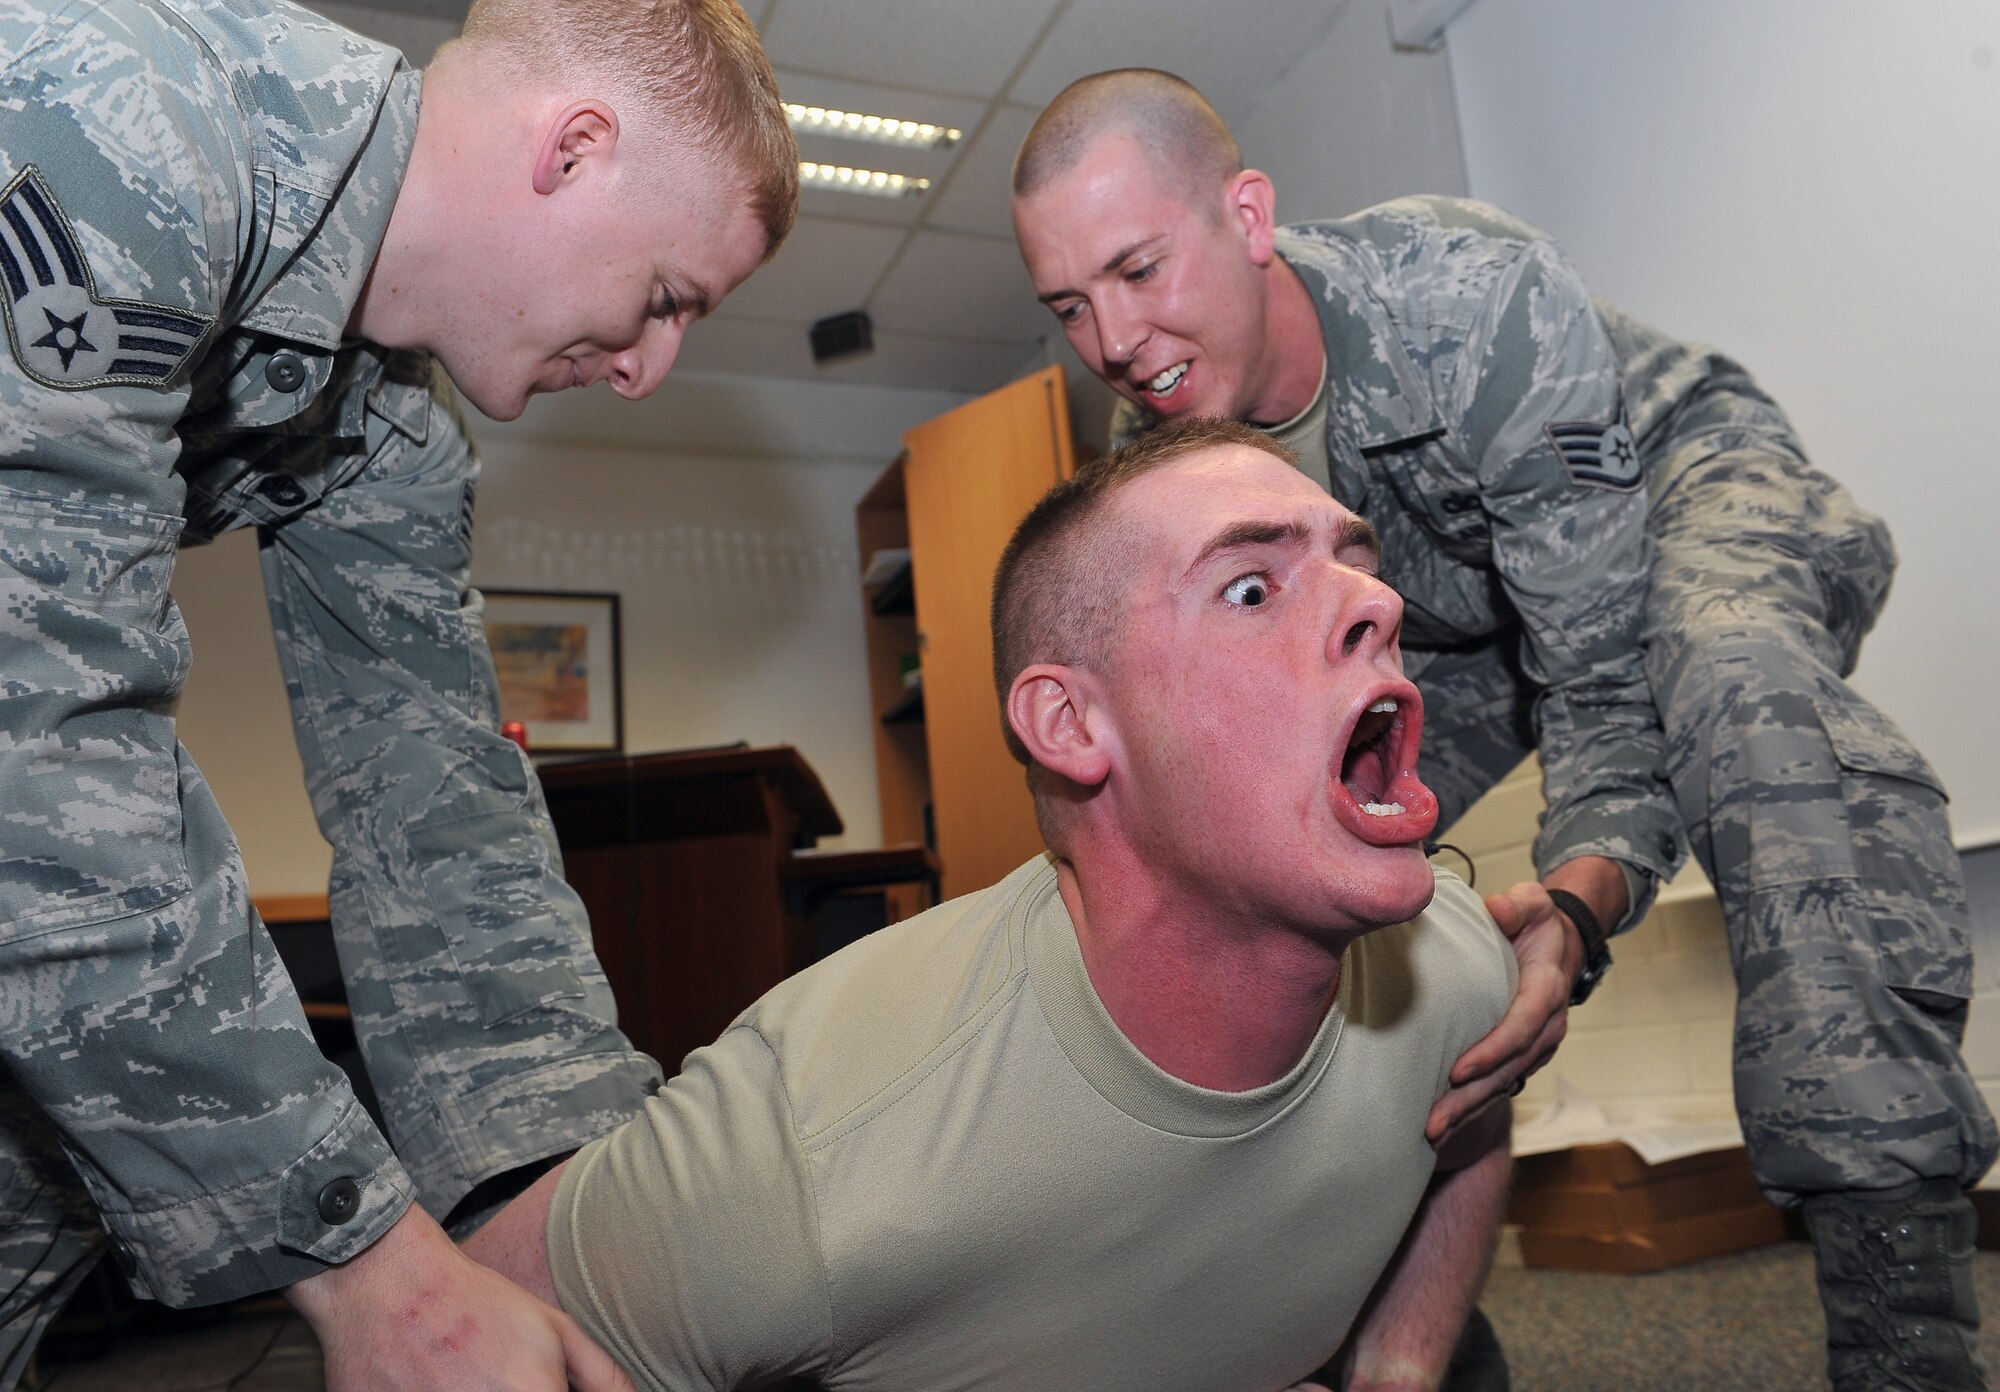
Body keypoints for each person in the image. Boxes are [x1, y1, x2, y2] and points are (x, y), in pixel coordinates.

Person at [1010, 67, 1997, 1392]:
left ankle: (1905, 1340)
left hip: (1683, 494)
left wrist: (1579, 914)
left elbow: (1600, 672)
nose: (1115, 339)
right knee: (1266, 851)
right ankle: (1391, 1335)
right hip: (1469, 625)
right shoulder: (1167, 457)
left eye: (1137, 269)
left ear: (1246, 215)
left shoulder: (1465, 297)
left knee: (1735, 682)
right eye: (1070, 305)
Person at [0, 0, 797, 1386]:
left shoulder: (392, 430)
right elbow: (35, 748)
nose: (645, 369)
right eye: (669, 297)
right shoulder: (123, 125)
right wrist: (372, 1265)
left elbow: (440, 823)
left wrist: (573, 1210)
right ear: (575, 152)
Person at [463, 417, 1517, 1392]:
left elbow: (1470, 1128)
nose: (1378, 607)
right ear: (1068, 724)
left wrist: (1395, 1372)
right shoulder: (808, 1146)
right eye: (1249, 589)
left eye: (1355, 568)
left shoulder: (1455, 964)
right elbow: (463, 1335)